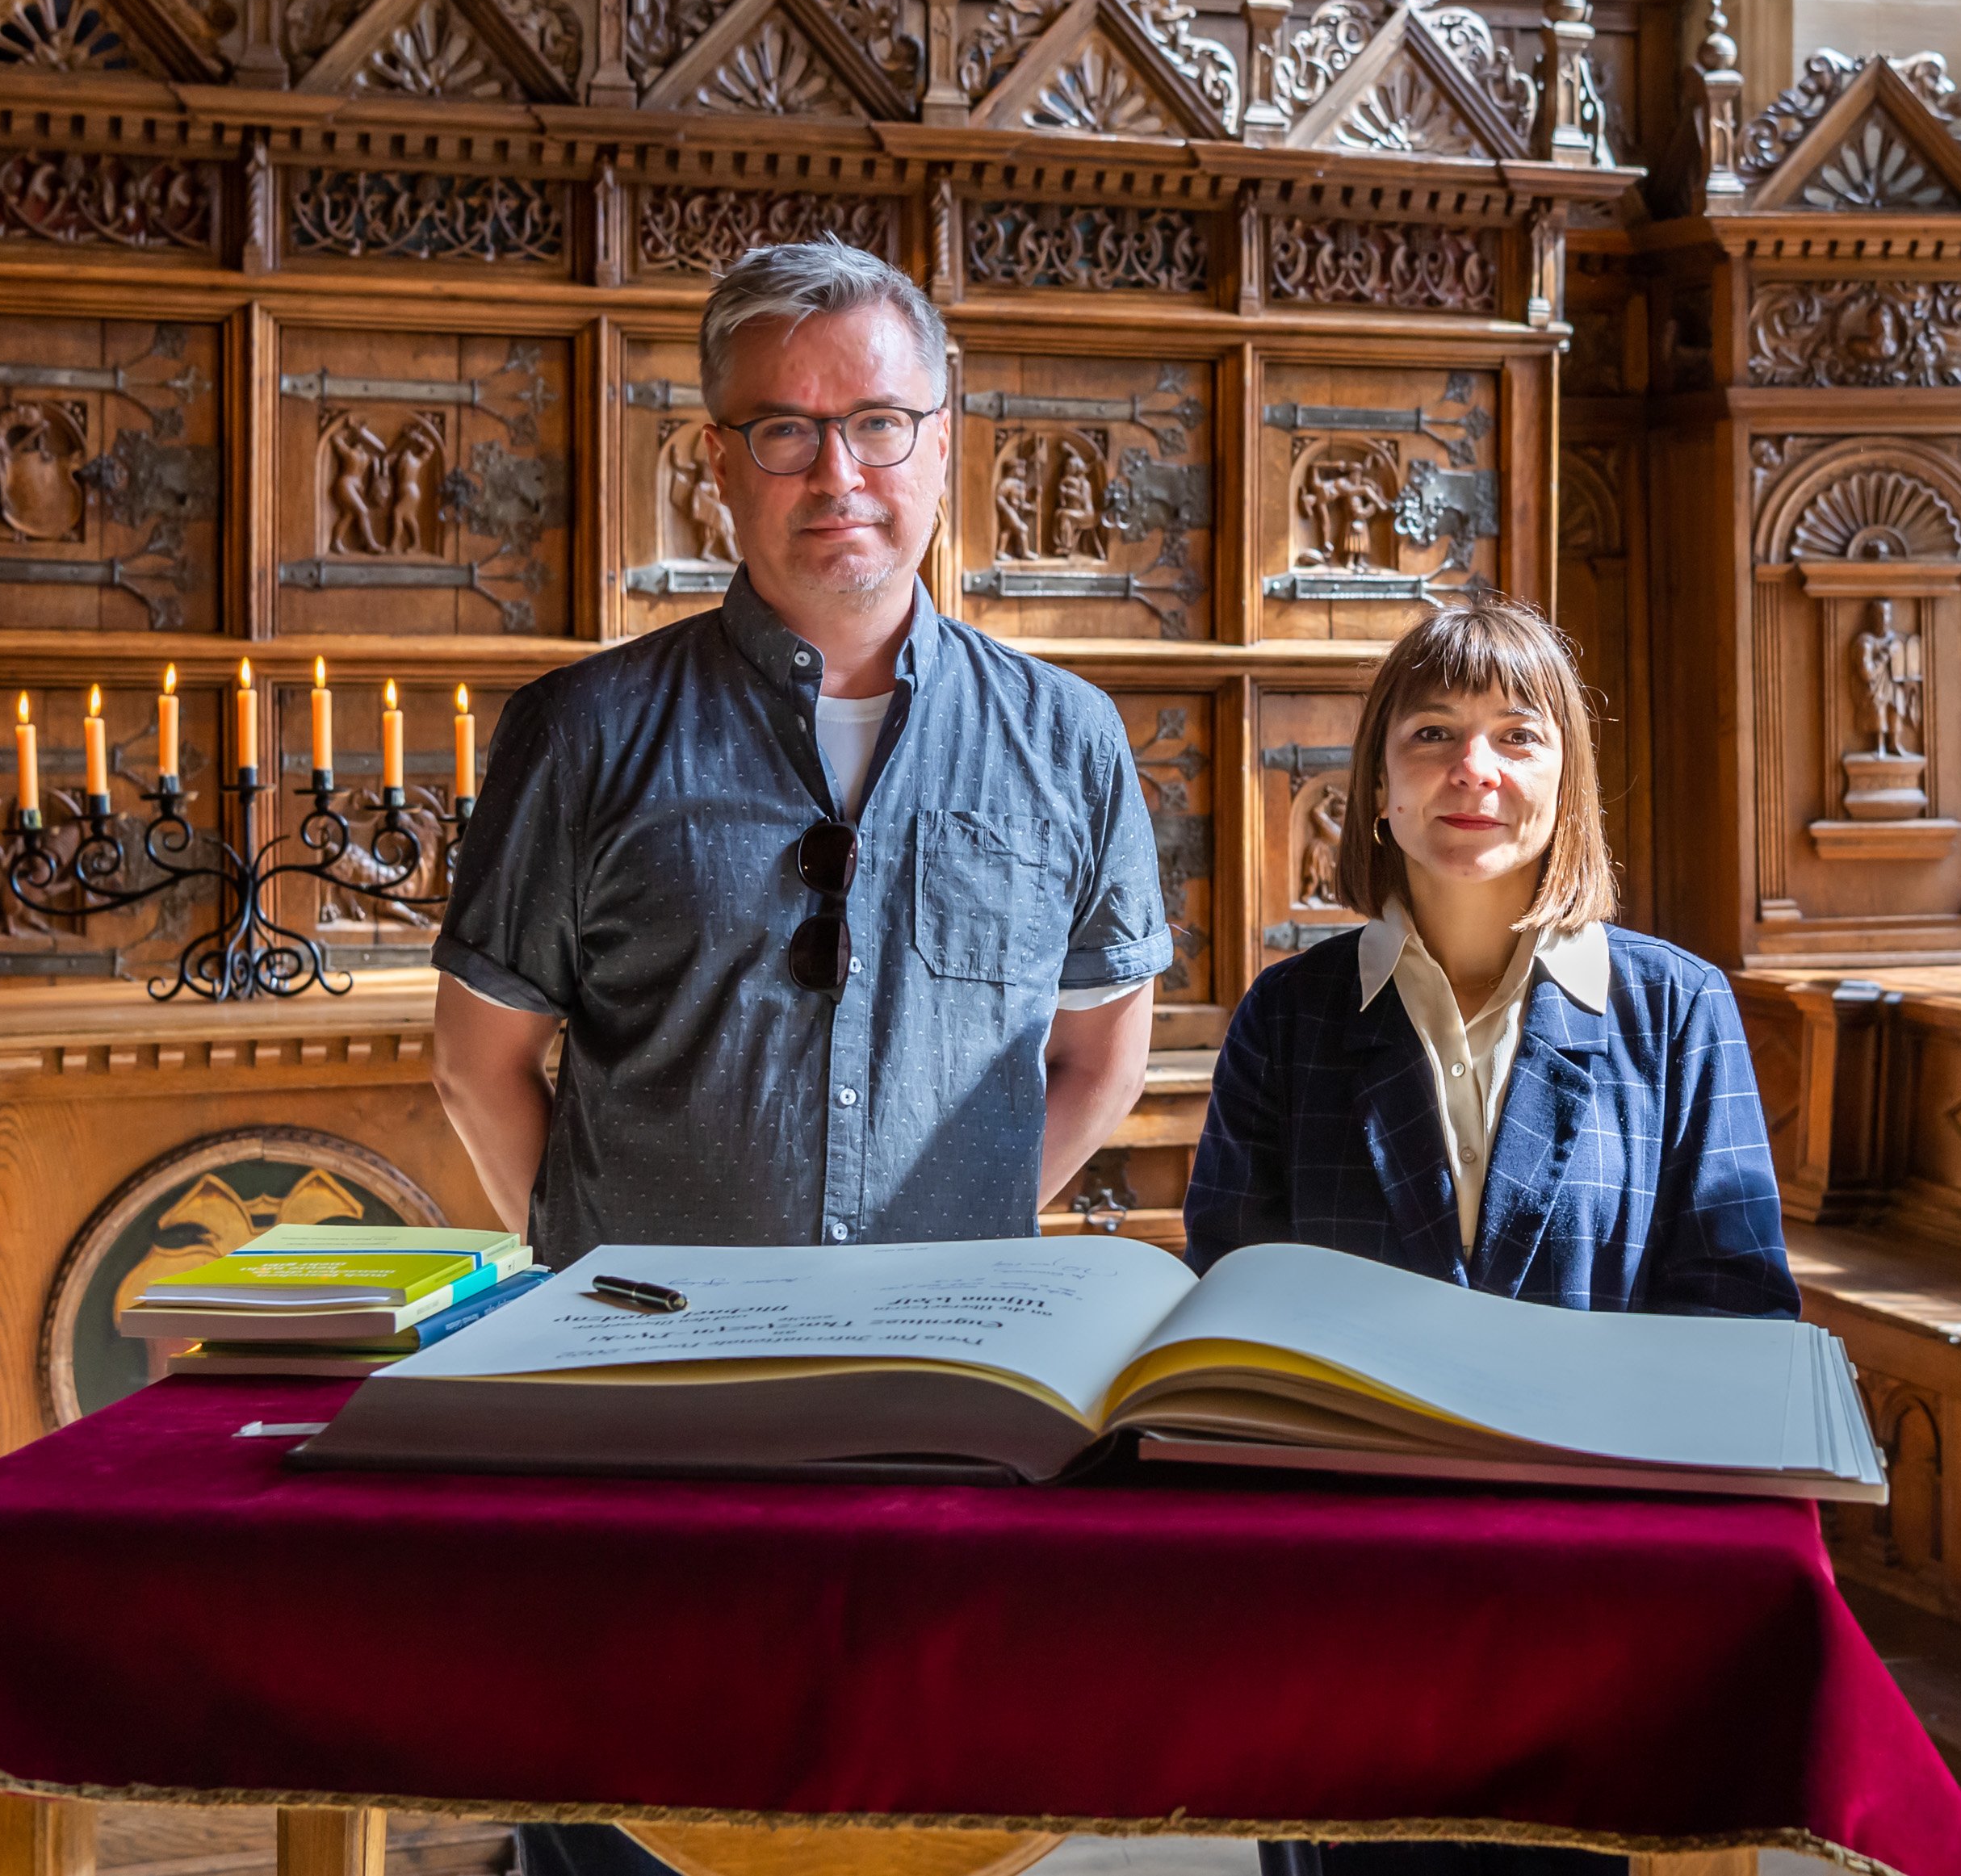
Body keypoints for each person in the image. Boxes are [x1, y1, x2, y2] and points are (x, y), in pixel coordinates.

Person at [428, 239, 1171, 1876]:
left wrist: (934, 1231)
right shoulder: (585, 731)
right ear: (715, 464)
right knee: (622, 1820)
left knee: (929, 1822)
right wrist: (591, 1268)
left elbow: (1101, 1056)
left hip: (945, 1421)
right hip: (641, 1420)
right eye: (785, 430)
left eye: (880, 423)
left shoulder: (1065, 738)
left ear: (942, 439)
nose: (839, 471)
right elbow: (482, 1060)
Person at [1188, 595, 1796, 1876]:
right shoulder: (1289, 1020)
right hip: (1349, 1596)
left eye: (1518, 734)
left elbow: (1735, 1316)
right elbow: (1228, 1324)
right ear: (1376, 786)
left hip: (1594, 1595)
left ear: (1563, 778)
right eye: (1432, 733)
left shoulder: (1673, 1011)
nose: (1475, 769)